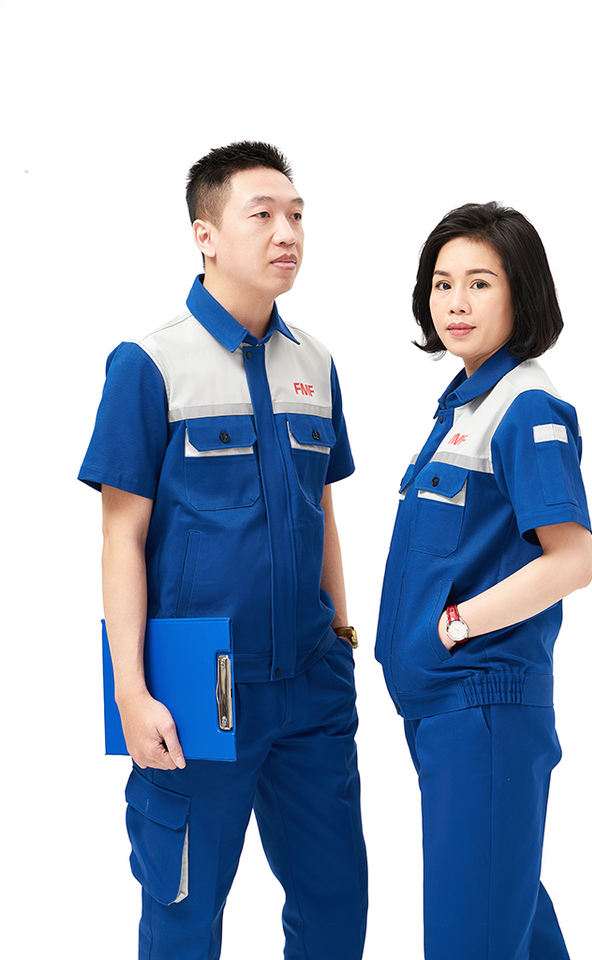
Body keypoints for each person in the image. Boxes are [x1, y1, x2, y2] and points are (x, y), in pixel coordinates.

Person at [78, 141, 367, 960]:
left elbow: (322, 508)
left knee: (336, 907)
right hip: (199, 692)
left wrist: (342, 636)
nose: (288, 233)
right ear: (205, 234)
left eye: (297, 215)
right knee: (184, 915)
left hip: (311, 683)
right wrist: (131, 692)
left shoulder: (316, 363)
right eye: (263, 214)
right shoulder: (149, 365)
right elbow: (121, 537)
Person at [375, 201, 592, 959]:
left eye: (479, 283)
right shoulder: (465, 406)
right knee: (509, 918)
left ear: (520, 293)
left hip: (483, 710)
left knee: (471, 935)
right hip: (445, 711)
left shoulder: (526, 407)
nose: (455, 303)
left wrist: (457, 625)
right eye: (443, 284)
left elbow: (573, 560)